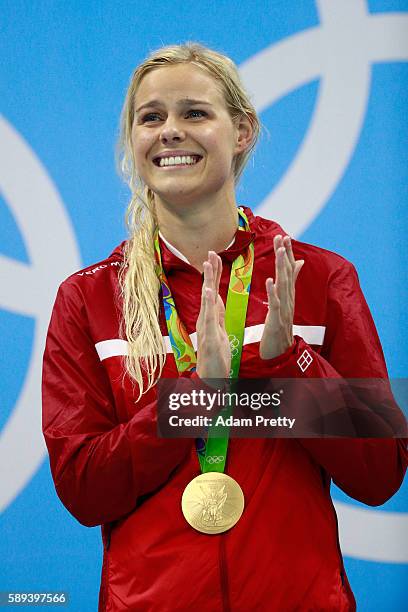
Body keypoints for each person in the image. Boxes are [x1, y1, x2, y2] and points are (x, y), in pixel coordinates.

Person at [42, 42, 407, 611]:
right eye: (151, 117)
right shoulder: (87, 298)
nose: (169, 131)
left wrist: (293, 366)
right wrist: (195, 399)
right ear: (133, 141)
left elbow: (382, 473)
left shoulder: (320, 279)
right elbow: (85, 491)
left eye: (194, 112)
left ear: (241, 132)